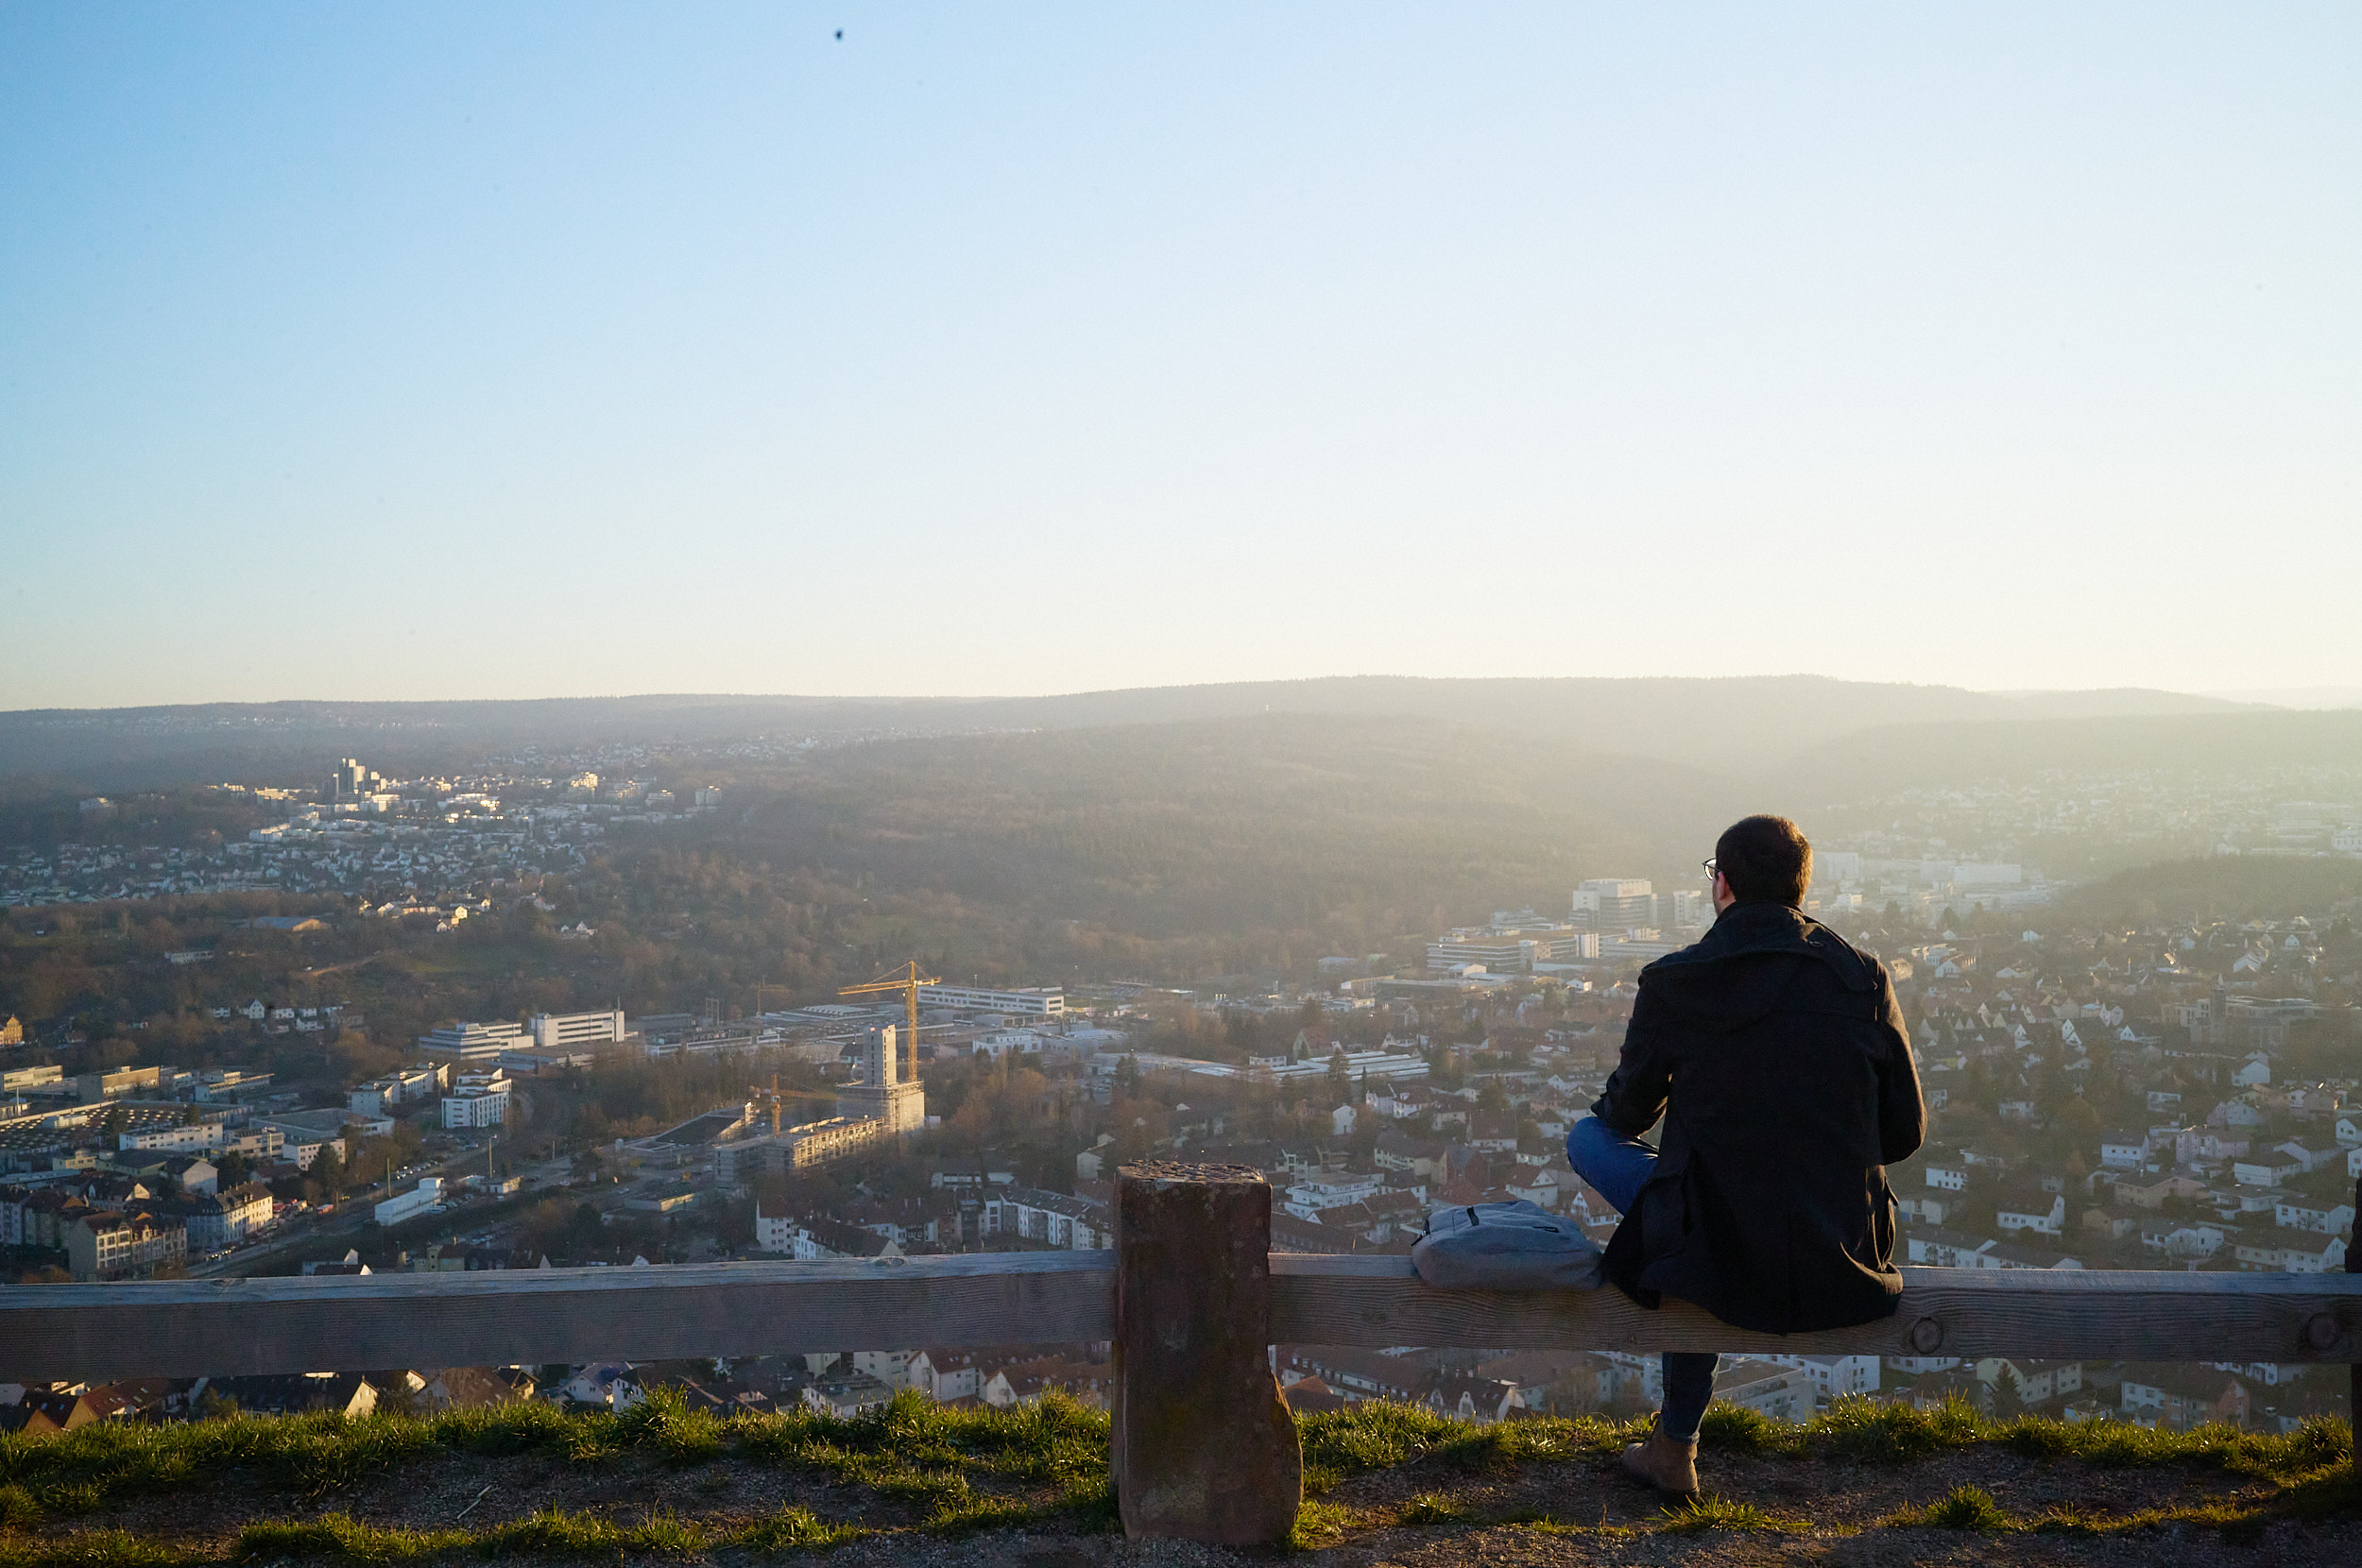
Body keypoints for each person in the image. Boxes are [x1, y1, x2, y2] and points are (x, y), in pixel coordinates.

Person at [1565, 814, 1925, 1497]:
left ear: (1722, 886)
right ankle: (1674, 1446)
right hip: (1841, 1241)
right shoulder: (1862, 979)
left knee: (1603, 1153)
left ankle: (1676, 1447)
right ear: (1800, 888)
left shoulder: (1677, 982)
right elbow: (1903, 1134)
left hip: (1713, 1236)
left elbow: (1625, 1116)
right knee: (1695, 1216)